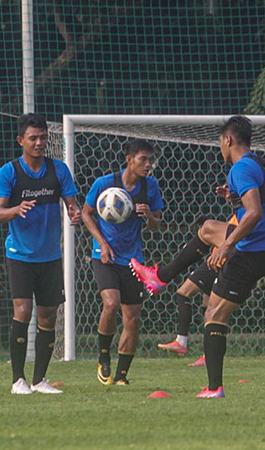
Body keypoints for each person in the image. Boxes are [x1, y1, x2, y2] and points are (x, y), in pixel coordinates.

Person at [131, 115, 265, 398]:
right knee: (214, 309)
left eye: (220, 142)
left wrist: (227, 245)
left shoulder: (240, 168)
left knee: (214, 307)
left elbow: (255, 213)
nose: (221, 147)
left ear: (227, 139)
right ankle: (161, 278)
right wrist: (234, 199)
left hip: (258, 244)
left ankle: (214, 387)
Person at [0, 113, 81, 394]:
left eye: (43, 137)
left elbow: (72, 204)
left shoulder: (58, 170)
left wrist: (74, 212)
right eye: (33, 138)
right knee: (23, 311)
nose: (39, 142)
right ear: (21, 140)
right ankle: (17, 380)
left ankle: (39, 380)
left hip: (50, 255)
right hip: (20, 255)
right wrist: (16, 209)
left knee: (48, 316)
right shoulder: (9, 172)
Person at [81, 139, 164, 386]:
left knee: (133, 318)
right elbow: (86, 213)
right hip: (105, 256)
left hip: (134, 261)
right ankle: (103, 357)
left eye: (150, 160)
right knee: (111, 303)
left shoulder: (150, 186)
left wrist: (149, 216)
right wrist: (101, 243)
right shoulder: (104, 184)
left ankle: (121, 376)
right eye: (143, 160)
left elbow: (157, 225)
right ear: (129, 160)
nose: (148, 165)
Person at [157, 215, 239, 368]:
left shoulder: (246, 215)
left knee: (184, 293)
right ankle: (207, 355)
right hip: (219, 261)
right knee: (209, 307)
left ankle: (181, 341)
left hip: (218, 262)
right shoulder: (239, 216)